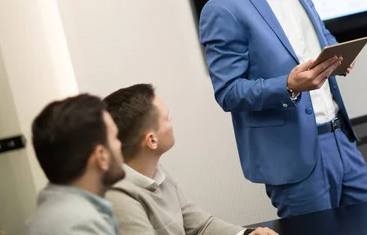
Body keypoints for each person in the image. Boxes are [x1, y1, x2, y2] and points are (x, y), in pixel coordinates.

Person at [199, 0, 367, 218]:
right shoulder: (222, 9)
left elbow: (316, 34)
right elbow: (228, 93)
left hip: (341, 137)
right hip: (295, 158)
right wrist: (289, 85)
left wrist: (337, 57)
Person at [103, 83, 276, 235]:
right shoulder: (118, 196)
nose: (171, 120)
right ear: (151, 140)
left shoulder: (158, 174)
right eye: (166, 118)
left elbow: (200, 226)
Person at [26, 94, 125, 235]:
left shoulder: (60, 213)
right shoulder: (78, 227)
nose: (120, 144)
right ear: (101, 156)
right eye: (115, 138)